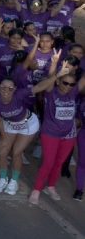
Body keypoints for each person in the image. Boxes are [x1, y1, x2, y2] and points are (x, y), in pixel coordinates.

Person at [29, 52, 80, 205]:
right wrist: (55, 64)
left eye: (71, 84)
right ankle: (37, 190)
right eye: (65, 83)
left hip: (69, 135)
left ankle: (50, 186)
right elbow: (49, 79)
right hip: (51, 133)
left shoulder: (73, 92)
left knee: (59, 163)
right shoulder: (51, 92)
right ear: (58, 82)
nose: (68, 86)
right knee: (48, 163)